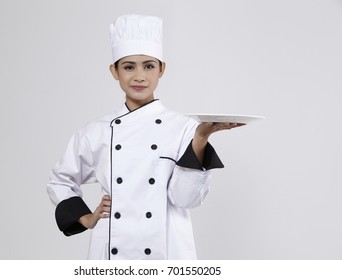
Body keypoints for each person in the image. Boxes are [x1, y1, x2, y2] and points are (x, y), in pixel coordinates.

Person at [47, 14, 241, 260]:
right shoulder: (96, 131)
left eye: (148, 66)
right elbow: (60, 181)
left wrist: (201, 138)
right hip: (110, 251)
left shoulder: (185, 127)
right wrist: (85, 218)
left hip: (166, 250)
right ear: (114, 71)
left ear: (162, 69)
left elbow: (185, 199)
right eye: (129, 66)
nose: (139, 76)